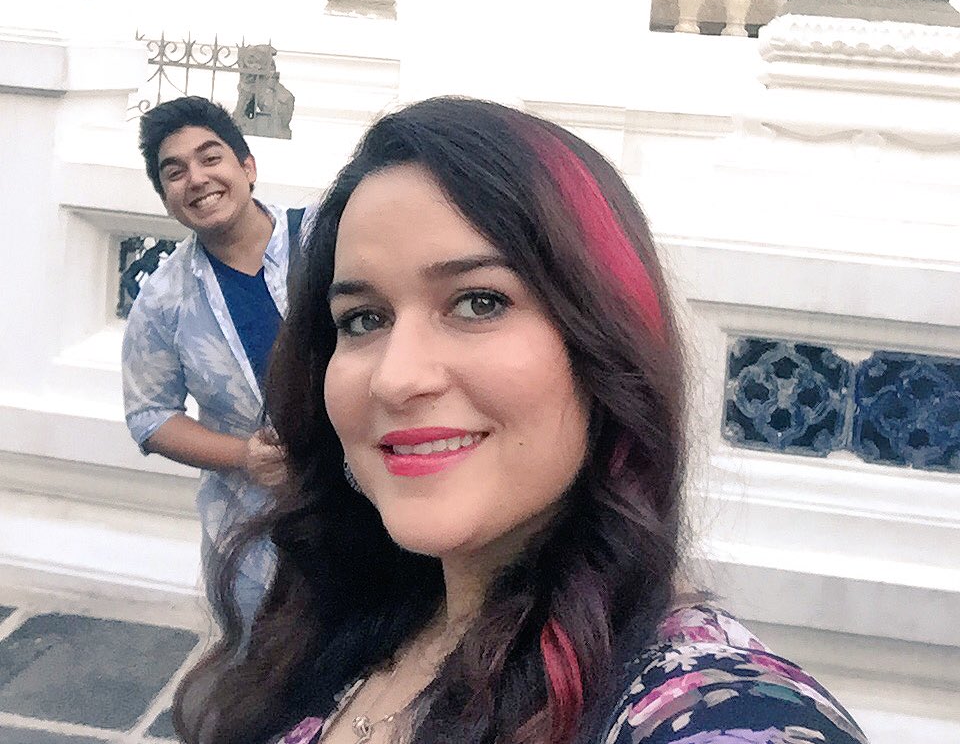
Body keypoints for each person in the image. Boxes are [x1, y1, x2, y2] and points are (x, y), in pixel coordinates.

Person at [174, 97, 868, 744]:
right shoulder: (346, 619)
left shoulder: (707, 708)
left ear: (605, 343)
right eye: (363, 319)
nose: (395, 377)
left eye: (479, 302)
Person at [122, 96, 310, 624]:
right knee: (267, 666)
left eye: (211, 158)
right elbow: (149, 416)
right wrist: (245, 456)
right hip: (256, 537)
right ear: (167, 200)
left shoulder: (326, 240)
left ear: (247, 167)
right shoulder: (164, 299)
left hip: (370, 510)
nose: (197, 179)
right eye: (174, 172)